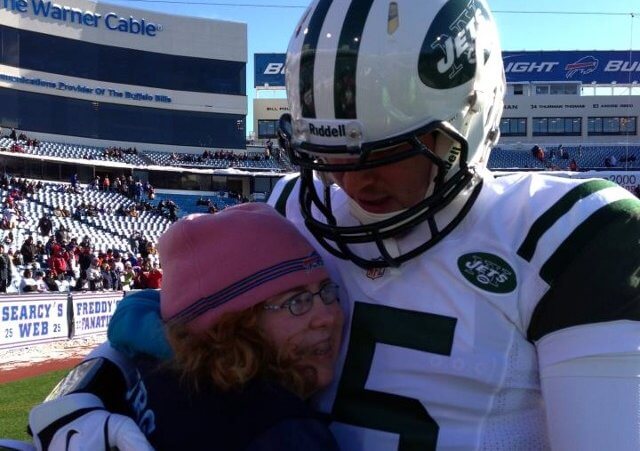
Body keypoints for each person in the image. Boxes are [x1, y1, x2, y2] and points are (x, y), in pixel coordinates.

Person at [20, 1, 640, 450]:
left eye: (386, 153)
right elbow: (177, 321)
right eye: (332, 156)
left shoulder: (575, 233)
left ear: (468, 119)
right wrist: (85, 388)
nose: (352, 183)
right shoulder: (297, 203)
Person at [26, 203, 342, 451]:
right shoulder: (277, 429)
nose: (326, 316)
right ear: (234, 325)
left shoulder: (159, 363)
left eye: (327, 291)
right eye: (297, 302)